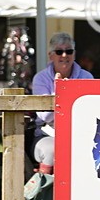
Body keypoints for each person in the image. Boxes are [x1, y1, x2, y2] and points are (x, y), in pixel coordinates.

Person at [31, 32, 94, 173]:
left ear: (74, 54)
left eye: (69, 51)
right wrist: (60, 89)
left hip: (80, 133)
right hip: (48, 134)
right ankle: (43, 193)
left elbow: (89, 113)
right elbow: (46, 117)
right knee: (52, 150)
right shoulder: (40, 79)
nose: (64, 55)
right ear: (51, 55)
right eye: (59, 51)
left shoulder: (87, 77)